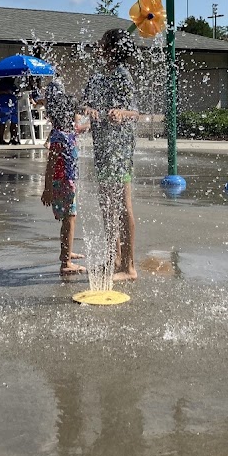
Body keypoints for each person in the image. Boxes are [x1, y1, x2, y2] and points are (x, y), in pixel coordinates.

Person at [82, 28, 139, 281]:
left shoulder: (123, 76)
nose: (99, 46)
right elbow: (83, 104)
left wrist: (121, 113)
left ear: (113, 49)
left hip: (119, 150)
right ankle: (113, 258)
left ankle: (129, 266)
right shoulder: (96, 76)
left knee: (123, 206)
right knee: (107, 207)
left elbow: (135, 112)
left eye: (103, 43)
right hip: (102, 149)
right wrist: (90, 110)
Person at [41, 90, 86, 280]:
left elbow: (83, 127)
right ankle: (66, 263)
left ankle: (66, 252)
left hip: (67, 181)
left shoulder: (68, 131)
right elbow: (50, 165)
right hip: (62, 183)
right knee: (69, 218)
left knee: (69, 218)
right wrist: (47, 189)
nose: (77, 116)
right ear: (66, 115)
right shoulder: (59, 137)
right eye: (74, 113)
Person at [0, 77, 20, 145]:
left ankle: (13, 138)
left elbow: (17, 92)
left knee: (14, 121)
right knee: (2, 121)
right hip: (2, 105)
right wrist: (4, 92)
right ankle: (1, 139)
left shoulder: (13, 85)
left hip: (12, 105)